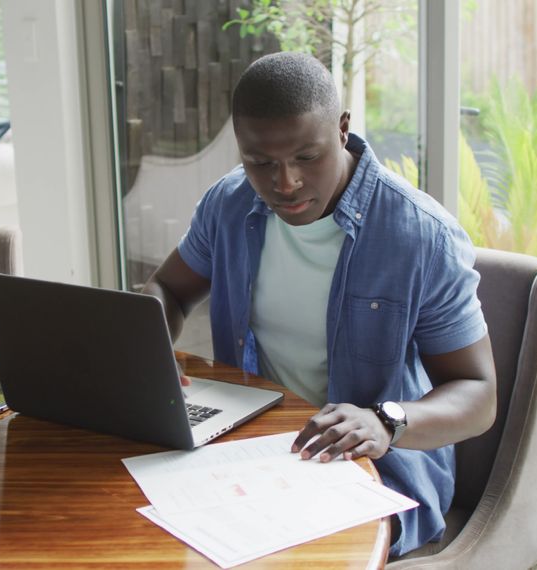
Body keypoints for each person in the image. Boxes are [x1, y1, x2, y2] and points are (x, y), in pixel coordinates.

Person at [143, 52, 497, 557]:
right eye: (260, 162)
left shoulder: (420, 236)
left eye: (306, 157)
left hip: (377, 470)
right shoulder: (228, 204)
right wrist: (148, 349)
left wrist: (386, 420)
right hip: (249, 450)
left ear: (343, 129)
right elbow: (169, 290)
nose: (284, 183)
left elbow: (478, 394)